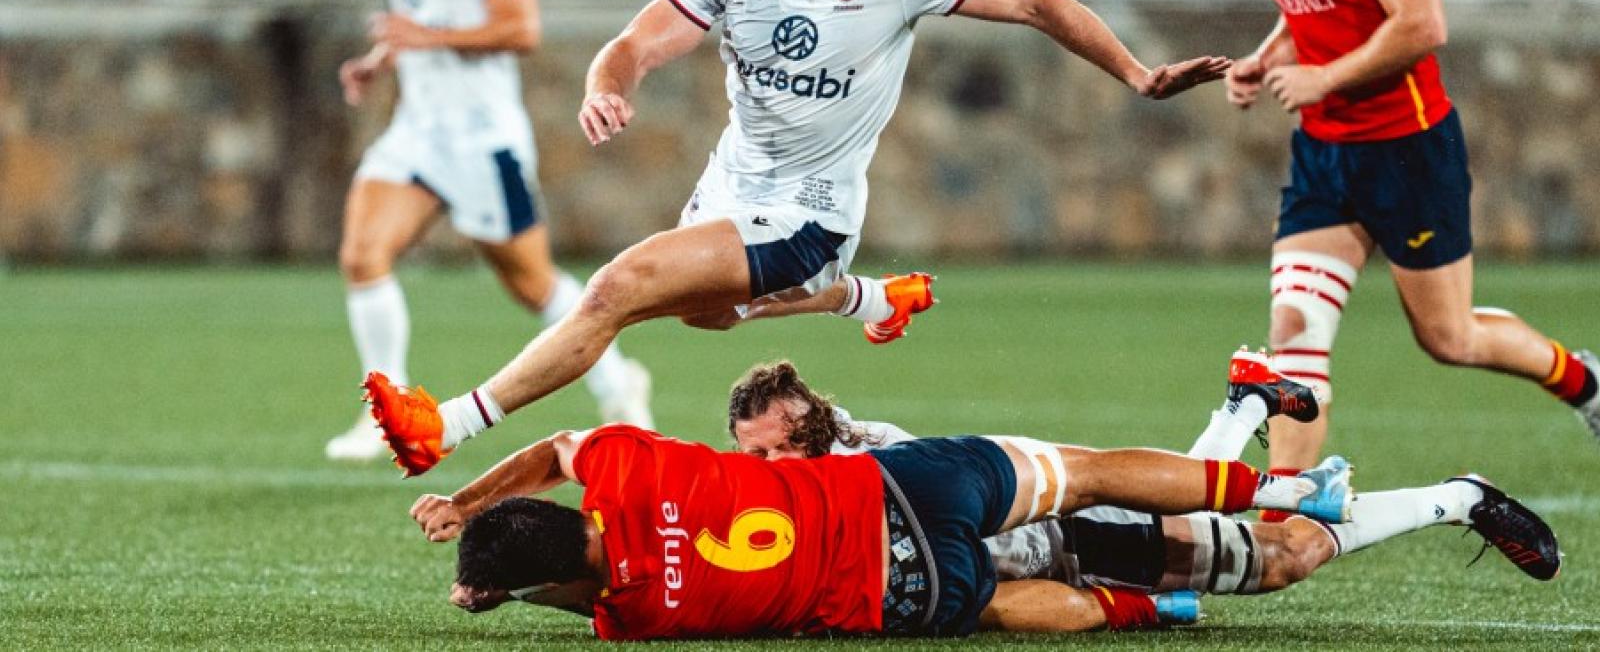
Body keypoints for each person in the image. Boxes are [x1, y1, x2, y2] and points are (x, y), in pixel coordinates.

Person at [363, 0, 1231, 476]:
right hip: (731, 185)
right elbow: (637, 40)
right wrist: (607, 83)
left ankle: (445, 422)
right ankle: (864, 298)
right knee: (697, 315)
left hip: (809, 209)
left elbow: (1038, 1)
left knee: (617, 290)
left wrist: (1137, 72)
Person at [1222, 0, 1600, 496]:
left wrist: (1323, 79)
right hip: (1324, 159)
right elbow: (1314, 7)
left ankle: (1582, 379)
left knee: (1449, 338)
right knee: (1294, 328)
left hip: (1407, 153)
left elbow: (1423, 26)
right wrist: (1267, 59)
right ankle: (1283, 519)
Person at [723, 355, 1562, 632]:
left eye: (764, 448)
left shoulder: (865, 461)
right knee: (1208, 514)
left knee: (1283, 557)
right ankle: (1246, 401)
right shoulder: (834, 461)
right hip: (1065, 535)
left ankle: (1461, 497)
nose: (760, 468)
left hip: (1071, 534)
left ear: (796, 424)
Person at [324, 0, 652, 462]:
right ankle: (383, 411)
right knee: (363, 256)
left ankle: (619, 378)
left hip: (484, 142)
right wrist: (377, 60)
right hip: (418, 133)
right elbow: (413, 28)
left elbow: (520, 29)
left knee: (532, 286)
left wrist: (425, 35)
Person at [405, 422, 1360, 639]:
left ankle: (1157, 611)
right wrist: (473, 501)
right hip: (893, 491)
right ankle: (1290, 489)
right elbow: (556, 445)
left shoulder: (640, 615)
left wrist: (496, 584)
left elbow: (578, 596)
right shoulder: (627, 466)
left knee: (990, 611)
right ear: (566, 512)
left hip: (896, 590)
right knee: (1091, 474)